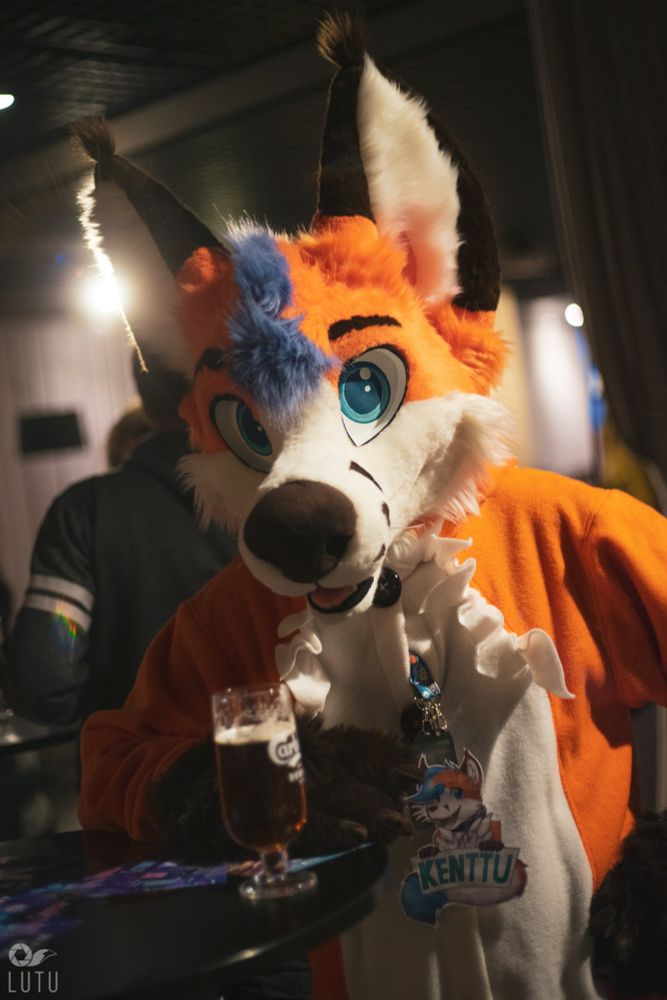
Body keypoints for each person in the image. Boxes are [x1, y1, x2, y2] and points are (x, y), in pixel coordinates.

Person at [1, 352, 237, 725]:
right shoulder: (278, 494)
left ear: (143, 395)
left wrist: (119, 705)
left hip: (133, 774)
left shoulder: (84, 512)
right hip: (273, 764)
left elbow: (44, 683)